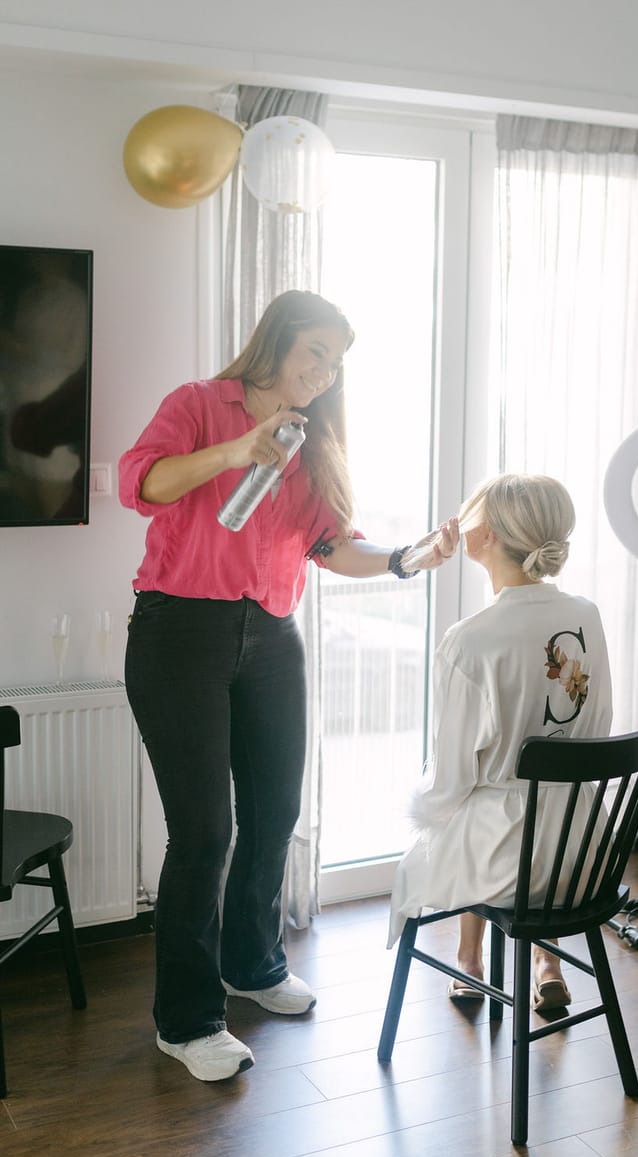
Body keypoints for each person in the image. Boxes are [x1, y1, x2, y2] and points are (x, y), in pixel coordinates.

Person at [119, 290, 458, 1082]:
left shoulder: (314, 442)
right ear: (274, 344)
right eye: (315, 352)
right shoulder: (201, 404)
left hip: (270, 636)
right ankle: (188, 1019)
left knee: (275, 813)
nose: (324, 371)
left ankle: (253, 964)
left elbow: (330, 545)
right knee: (205, 832)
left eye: (335, 361)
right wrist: (238, 450)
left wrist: (409, 557)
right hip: (179, 633)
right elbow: (144, 484)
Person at [387, 473, 612, 1011]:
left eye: (472, 514)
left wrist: (430, 806)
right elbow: (597, 728)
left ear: (486, 536)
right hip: (584, 850)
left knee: (466, 809)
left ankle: (469, 960)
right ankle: (547, 961)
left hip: (511, 858)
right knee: (522, 803)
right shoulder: (586, 615)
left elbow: (450, 781)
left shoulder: (470, 641)